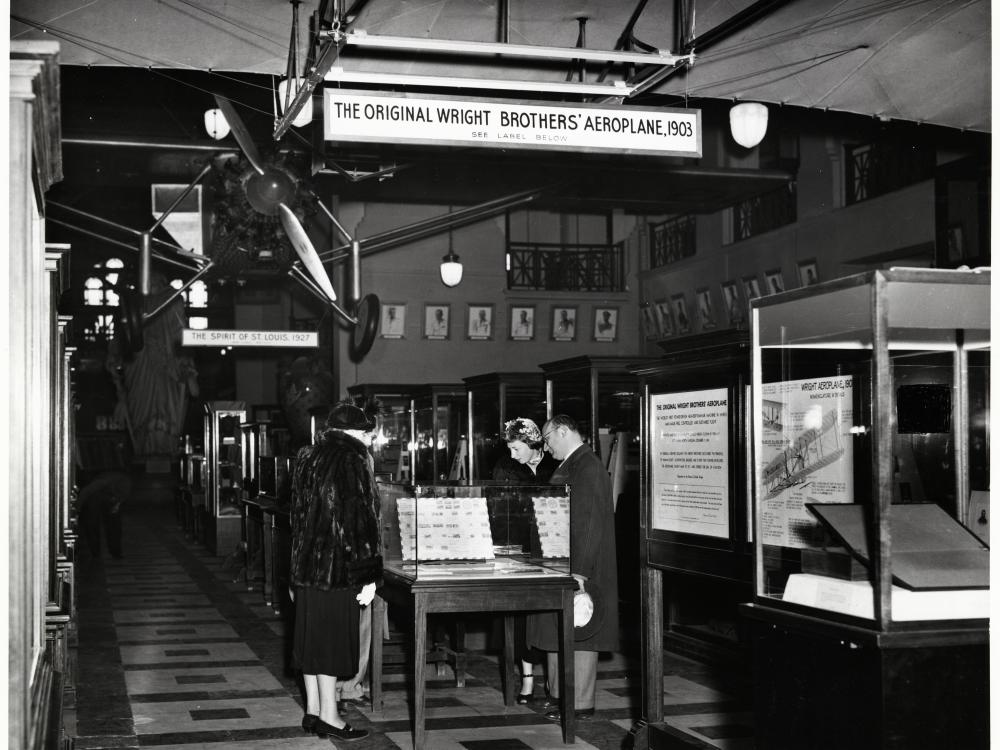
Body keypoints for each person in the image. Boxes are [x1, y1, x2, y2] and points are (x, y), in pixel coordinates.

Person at [289, 402, 383, 742]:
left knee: (312, 641)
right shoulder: (352, 458)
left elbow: (297, 519)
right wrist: (369, 573)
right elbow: (359, 519)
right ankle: (330, 717)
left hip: (307, 568)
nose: (371, 441)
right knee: (329, 644)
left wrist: (294, 571)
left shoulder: (307, 456)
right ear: (354, 433)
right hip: (338, 567)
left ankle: (314, 711)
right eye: (367, 434)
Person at [527, 414, 619, 722]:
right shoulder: (572, 464)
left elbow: (589, 523)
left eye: (548, 437)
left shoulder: (588, 467)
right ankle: (560, 698)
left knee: (580, 635)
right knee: (559, 634)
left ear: (563, 431)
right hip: (561, 563)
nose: (546, 444)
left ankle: (578, 705)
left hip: (580, 568)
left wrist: (579, 572)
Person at [491, 417, 559, 704]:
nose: (512, 455)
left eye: (516, 448)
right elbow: (498, 507)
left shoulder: (554, 464)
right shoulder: (505, 467)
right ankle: (527, 677)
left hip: (551, 546)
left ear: (533, 444)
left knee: (547, 613)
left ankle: (554, 679)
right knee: (518, 615)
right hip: (517, 546)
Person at [77, 470, 133, 559]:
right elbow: (85, 492)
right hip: (94, 498)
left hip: (111, 497)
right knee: (92, 525)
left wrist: (117, 505)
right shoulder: (101, 483)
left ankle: (116, 552)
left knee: (115, 526)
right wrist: (77, 510)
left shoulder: (125, 485)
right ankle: (95, 553)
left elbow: (122, 498)